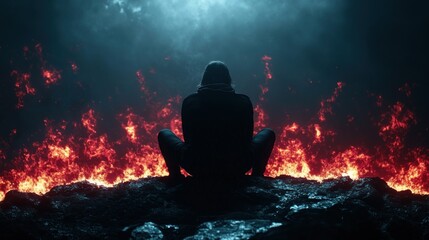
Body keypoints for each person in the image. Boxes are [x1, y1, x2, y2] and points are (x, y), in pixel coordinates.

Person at [158, 61, 275, 182]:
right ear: (228, 79)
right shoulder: (243, 101)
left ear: (205, 79)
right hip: (238, 166)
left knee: (164, 133)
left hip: (196, 166)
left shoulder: (190, 101)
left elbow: (189, 139)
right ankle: (257, 177)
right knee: (268, 133)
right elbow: (247, 140)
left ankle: (175, 176)